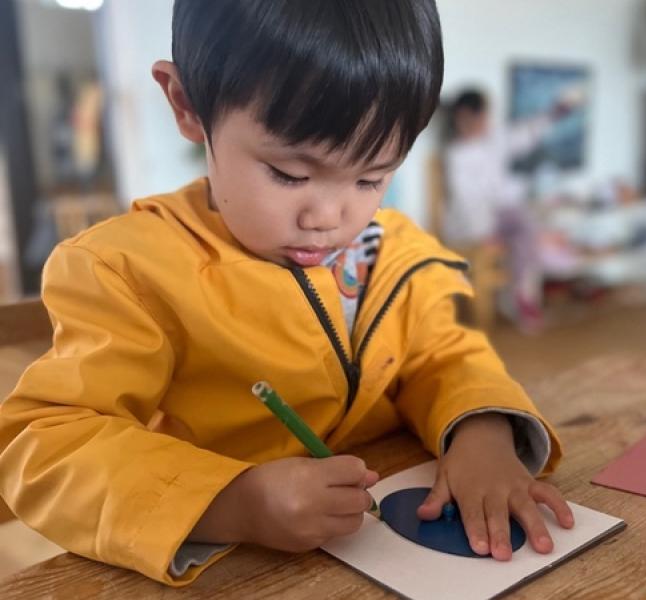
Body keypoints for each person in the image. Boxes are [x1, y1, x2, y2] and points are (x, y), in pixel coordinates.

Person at [0, 0, 574, 586]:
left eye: (371, 177)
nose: (328, 216)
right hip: (236, 568)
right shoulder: (127, 271)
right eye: (290, 174)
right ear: (187, 104)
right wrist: (232, 501)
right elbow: (44, 446)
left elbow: (445, 356)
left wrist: (480, 432)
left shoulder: (397, 251)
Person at [442, 89, 575, 331]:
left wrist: (555, 114)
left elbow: (524, 133)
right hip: (469, 225)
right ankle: (517, 297)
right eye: (483, 116)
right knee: (523, 228)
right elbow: (466, 201)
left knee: (527, 225)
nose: (486, 121)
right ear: (464, 118)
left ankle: (522, 296)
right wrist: (483, 234)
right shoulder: (457, 156)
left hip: (500, 215)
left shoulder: (493, 139)